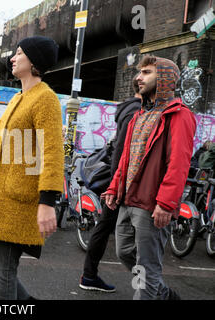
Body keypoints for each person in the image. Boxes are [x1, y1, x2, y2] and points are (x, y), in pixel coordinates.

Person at [0, 36, 64, 300]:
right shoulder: (19, 97)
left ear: (34, 61)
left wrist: (47, 201)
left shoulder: (45, 99)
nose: (12, 58)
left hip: (18, 200)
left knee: (3, 269)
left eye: (18, 53)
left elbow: (51, 151)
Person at [102, 55, 196, 300]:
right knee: (124, 252)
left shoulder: (179, 114)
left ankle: (150, 291)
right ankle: (161, 293)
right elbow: (126, 157)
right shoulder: (139, 115)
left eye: (146, 73)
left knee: (146, 266)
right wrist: (114, 188)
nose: (138, 77)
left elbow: (179, 163)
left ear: (164, 78)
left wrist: (166, 203)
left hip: (152, 203)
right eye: (139, 72)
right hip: (128, 199)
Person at [79, 77, 141, 292]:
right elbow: (123, 151)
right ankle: (144, 285)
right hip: (126, 182)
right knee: (135, 238)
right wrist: (116, 186)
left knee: (105, 227)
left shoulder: (126, 108)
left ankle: (89, 276)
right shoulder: (136, 111)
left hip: (121, 181)